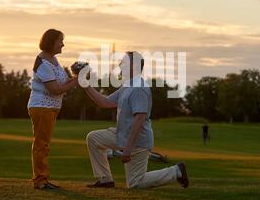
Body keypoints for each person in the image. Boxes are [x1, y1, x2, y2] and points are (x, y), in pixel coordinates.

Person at [80, 51, 189, 189]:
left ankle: (176, 171)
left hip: (137, 141)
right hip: (122, 136)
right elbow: (104, 102)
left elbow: (140, 119)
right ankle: (105, 179)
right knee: (94, 138)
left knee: (135, 183)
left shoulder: (139, 89)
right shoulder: (127, 85)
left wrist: (128, 148)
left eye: (123, 62)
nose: (119, 64)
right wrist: (84, 83)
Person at [27, 29, 78, 190]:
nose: (63, 44)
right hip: (42, 106)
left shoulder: (53, 60)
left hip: (50, 108)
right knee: (41, 144)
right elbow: (55, 89)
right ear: (51, 42)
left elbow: (62, 83)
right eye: (60, 41)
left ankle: (42, 179)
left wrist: (77, 76)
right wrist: (77, 81)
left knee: (44, 143)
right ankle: (40, 180)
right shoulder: (43, 63)